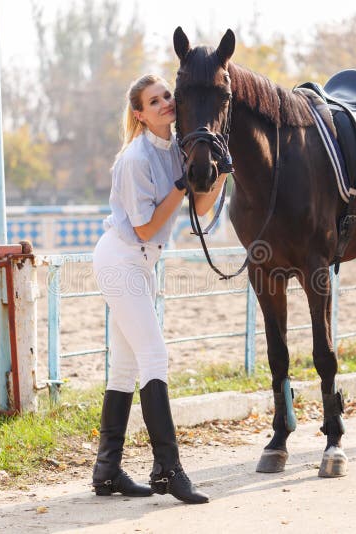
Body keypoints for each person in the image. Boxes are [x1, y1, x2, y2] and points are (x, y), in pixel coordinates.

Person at [90, 74, 230, 504]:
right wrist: (180, 185)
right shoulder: (135, 160)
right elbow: (147, 225)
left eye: (167, 96)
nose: (166, 103)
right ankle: (168, 470)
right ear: (140, 114)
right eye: (155, 101)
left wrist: (222, 172)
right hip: (119, 259)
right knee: (155, 356)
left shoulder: (177, 148)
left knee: (127, 368)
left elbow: (200, 207)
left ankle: (107, 470)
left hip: (142, 263)